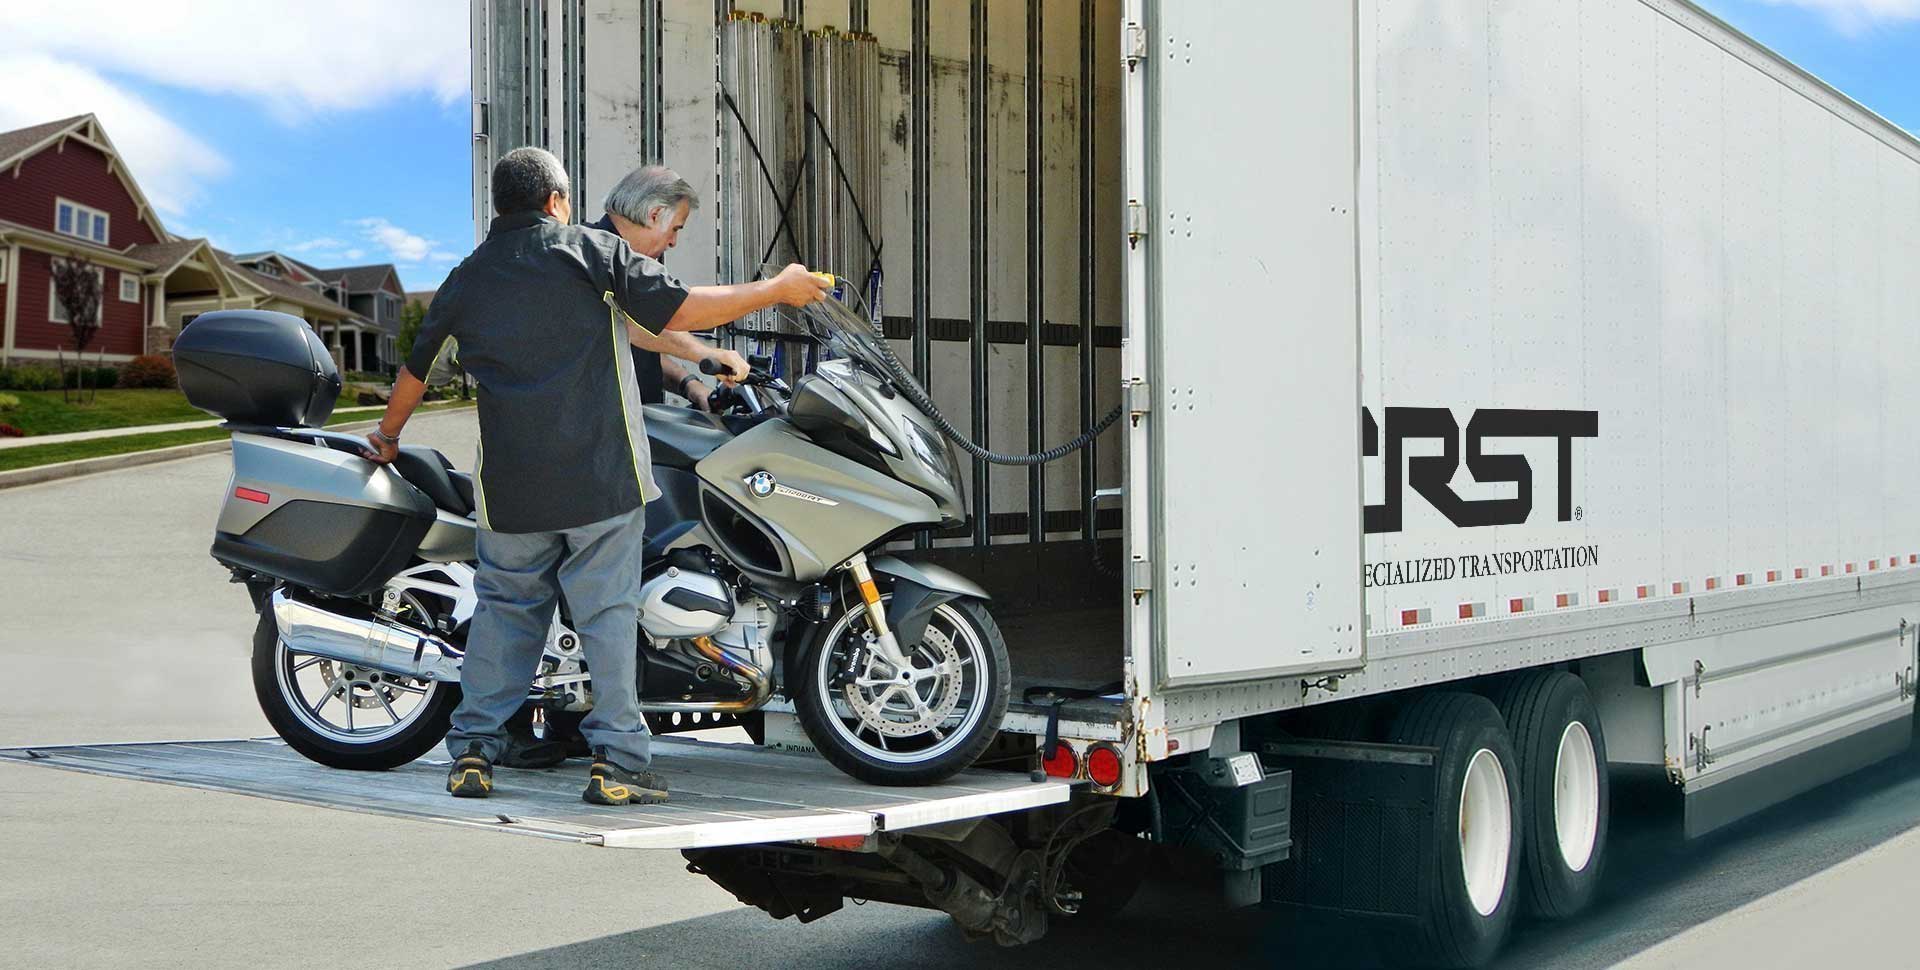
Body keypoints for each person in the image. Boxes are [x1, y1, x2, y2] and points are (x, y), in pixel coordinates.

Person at [362, 146, 828, 805]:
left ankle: (472, 752)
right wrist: (778, 289)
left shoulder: (468, 275)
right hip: (600, 479)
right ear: (556, 201)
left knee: (505, 612)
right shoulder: (587, 251)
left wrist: (387, 437)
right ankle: (616, 766)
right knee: (607, 614)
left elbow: (415, 367)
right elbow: (680, 309)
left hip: (513, 488)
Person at [589, 165, 720, 410]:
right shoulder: (597, 257)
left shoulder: (617, 256)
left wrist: (688, 383)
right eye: (675, 229)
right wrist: (776, 290)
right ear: (655, 214)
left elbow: (638, 347)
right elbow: (665, 318)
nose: (673, 242)